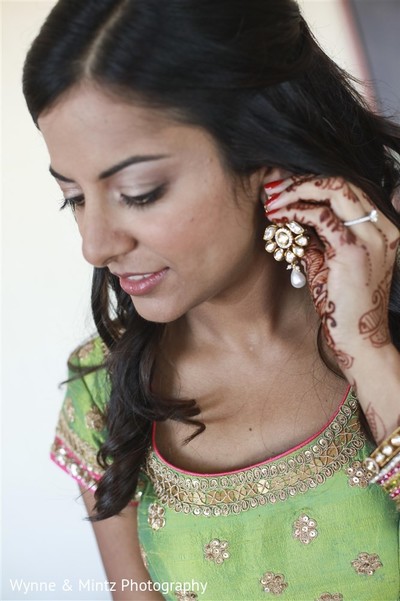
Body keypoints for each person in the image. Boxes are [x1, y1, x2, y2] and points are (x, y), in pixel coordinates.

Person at [23, 1, 400, 599]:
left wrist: (369, 350)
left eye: (139, 193)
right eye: (74, 197)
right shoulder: (105, 391)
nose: (96, 246)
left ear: (266, 157)